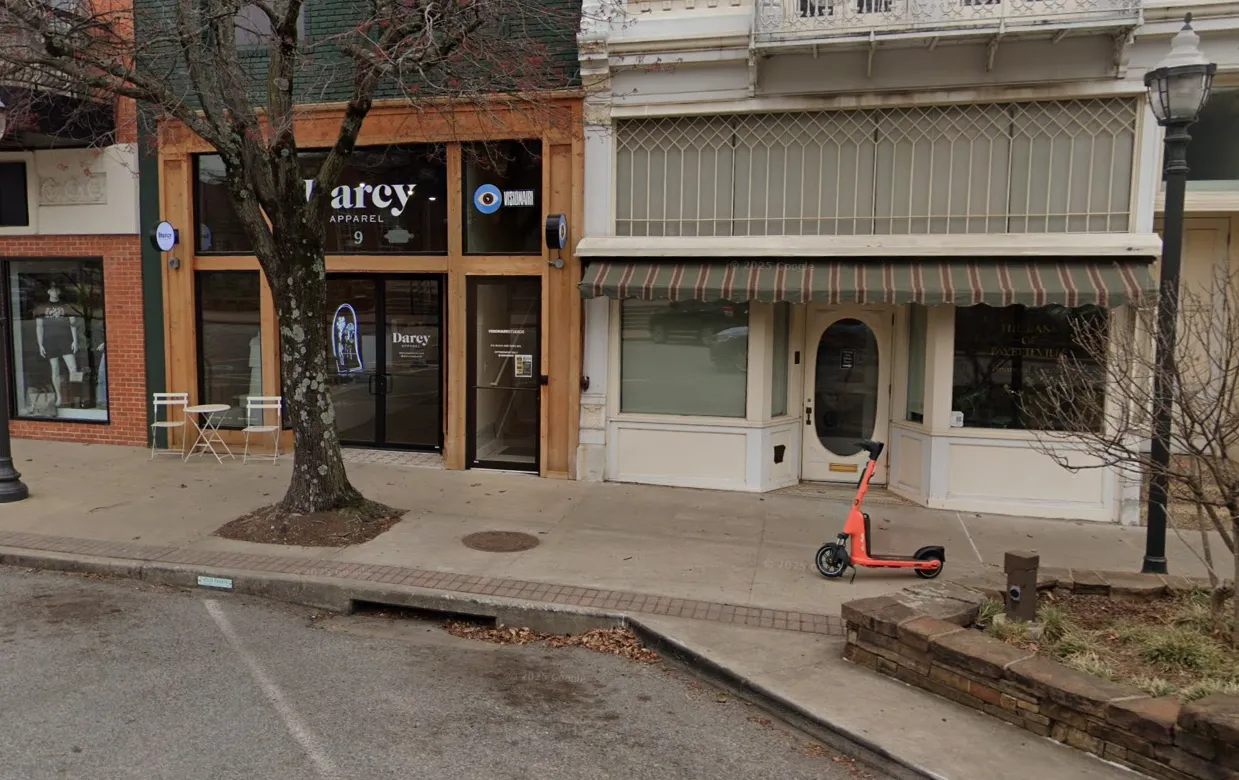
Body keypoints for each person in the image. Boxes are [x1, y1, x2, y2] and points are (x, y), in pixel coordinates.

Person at [35, 284, 79, 408]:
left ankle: (75, 396)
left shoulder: (66, 306)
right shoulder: (42, 308)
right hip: (50, 341)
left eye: (57, 289)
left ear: (59, 291)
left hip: (65, 340)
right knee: (55, 369)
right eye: (52, 289)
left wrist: (75, 340)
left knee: (73, 368)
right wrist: (40, 345)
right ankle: (59, 396)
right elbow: (39, 327)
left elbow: (73, 324)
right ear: (48, 291)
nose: (55, 291)